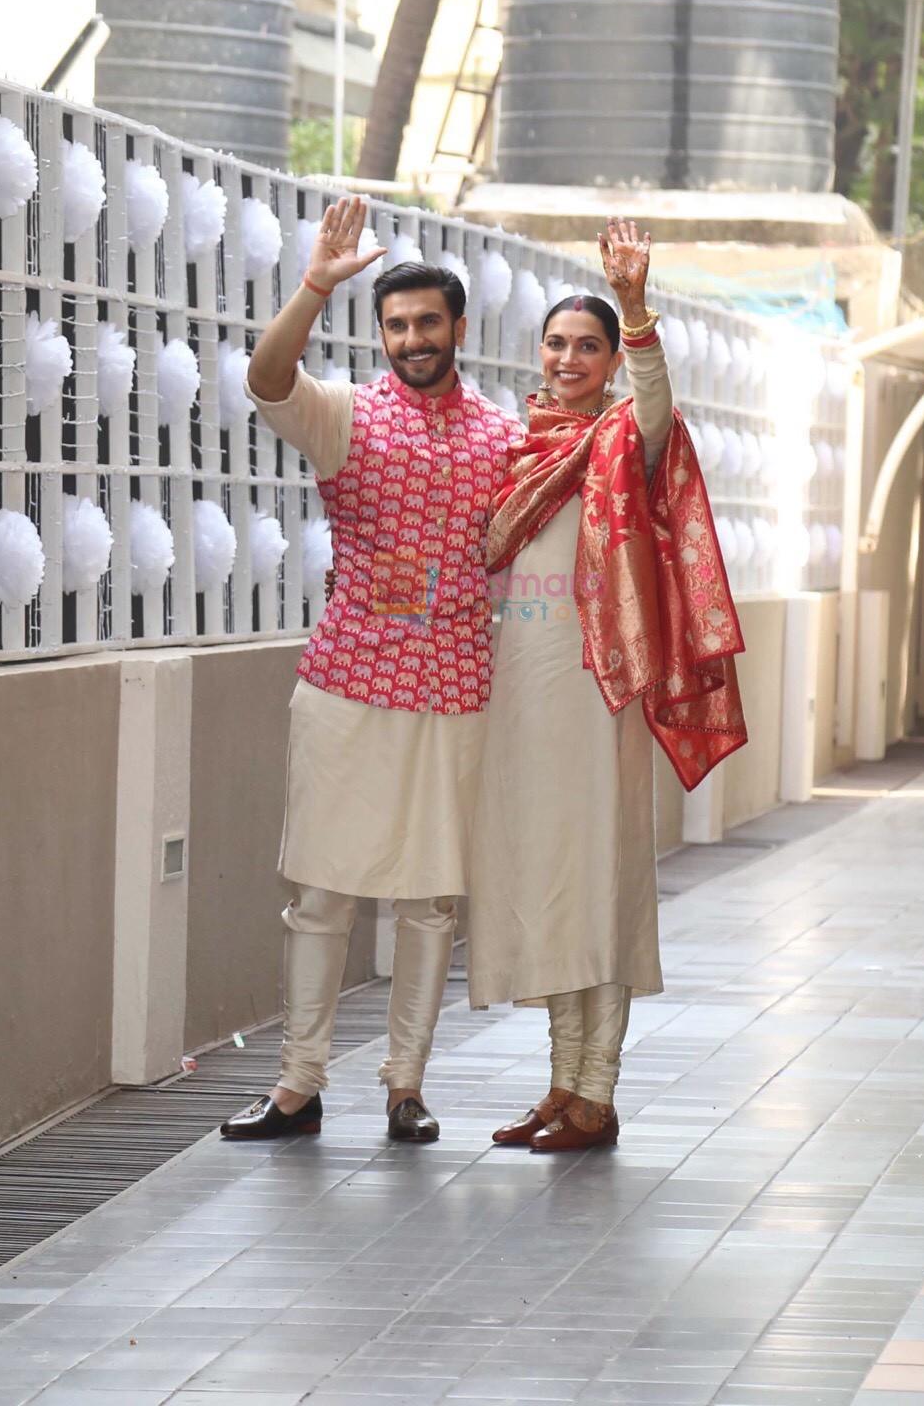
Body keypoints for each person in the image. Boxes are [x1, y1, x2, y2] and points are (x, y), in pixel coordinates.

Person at [219, 196, 523, 1146]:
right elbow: (266, 380)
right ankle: (299, 1085)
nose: (413, 339)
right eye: (396, 325)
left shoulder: (502, 438)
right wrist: (314, 287)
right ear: (380, 332)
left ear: (459, 329)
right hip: (350, 682)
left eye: (429, 322)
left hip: (455, 689)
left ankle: (404, 1087)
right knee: (321, 894)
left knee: (430, 900)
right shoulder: (346, 415)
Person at [468, 217, 747, 1153]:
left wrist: (633, 312)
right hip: (523, 694)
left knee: (601, 882)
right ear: (537, 353)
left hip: (604, 692)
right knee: (547, 880)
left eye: (587, 346)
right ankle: (561, 1080)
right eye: (557, 342)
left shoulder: (630, 439)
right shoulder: (516, 448)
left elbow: (657, 404)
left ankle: (600, 1089)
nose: (569, 358)